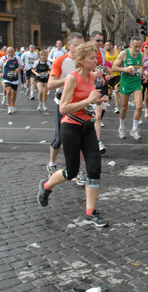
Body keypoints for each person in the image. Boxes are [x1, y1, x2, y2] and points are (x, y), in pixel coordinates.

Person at [37, 41, 109, 228]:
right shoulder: (72, 78)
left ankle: (90, 212)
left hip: (87, 127)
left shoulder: (92, 77)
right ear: (82, 60)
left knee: (94, 168)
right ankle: (46, 186)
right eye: (92, 58)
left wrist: (100, 100)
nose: (96, 60)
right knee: (72, 171)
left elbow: (89, 102)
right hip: (70, 127)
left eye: (96, 57)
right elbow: (64, 107)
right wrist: (88, 99)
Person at [46, 32, 85, 182]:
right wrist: (69, 79)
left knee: (80, 140)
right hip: (63, 103)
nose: (80, 48)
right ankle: (52, 163)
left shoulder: (84, 60)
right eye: (77, 45)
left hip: (79, 104)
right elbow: (50, 84)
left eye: (82, 45)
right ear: (69, 45)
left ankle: (76, 170)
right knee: (60, 139)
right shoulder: (60, 61)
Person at [112, 36, 144, 141]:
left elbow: (141, 67)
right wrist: (124, 69)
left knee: (139, 106)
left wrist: (143, 74)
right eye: (135, 46)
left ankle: (134, 129)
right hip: (125, 83)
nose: (137, 49)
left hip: (136, 83)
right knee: (124, 107)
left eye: (139, 46)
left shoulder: (141, 55)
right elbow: (114, 67)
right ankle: (121, 127)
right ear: (130, 45)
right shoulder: (124, 53)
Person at [89, 31, 111, 154]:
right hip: (87, 85)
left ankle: (97, 142)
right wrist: (93, 75)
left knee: (98, 114)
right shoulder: (86, 51)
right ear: (91, 39)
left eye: (102, 41)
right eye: (98, 40)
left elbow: (101, 68)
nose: (100, 43)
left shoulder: (102, 51)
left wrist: (105, 74)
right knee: (90, 115)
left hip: (98, 85)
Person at [0, 47, 23, 114]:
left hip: (14, 79)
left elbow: (23, 66)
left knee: (14, 94)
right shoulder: (3, 58)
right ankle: (9, 107)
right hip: (6, 78)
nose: (10, 53)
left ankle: (12, 105)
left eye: (12, 52)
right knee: (8, 92)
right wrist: (0, 72)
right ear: (6, 52)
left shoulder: (17, 58)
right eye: (9, 52)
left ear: (14, 52)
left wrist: (19, 69)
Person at [104, 41, 120, 114]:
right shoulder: (104, 53)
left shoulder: (117, 53)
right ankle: (109, 97)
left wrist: (116, 63)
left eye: (107, 45)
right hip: (108, 74)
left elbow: (121, 60)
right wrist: (109, 62)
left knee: (116, 90)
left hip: (116, 74)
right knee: (109, 92)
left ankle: (116, 107)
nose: (106, 46)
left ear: (111, 45)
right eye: (105, 45)